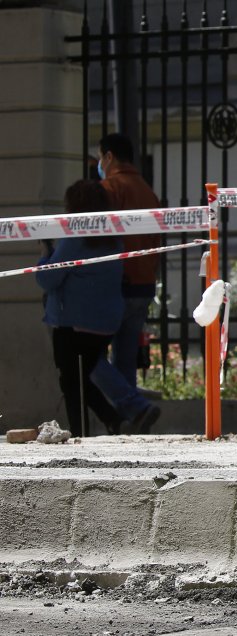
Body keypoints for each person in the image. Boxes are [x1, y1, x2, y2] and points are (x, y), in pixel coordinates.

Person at [37, 180, 127, 438]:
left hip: (74, 323)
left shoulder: (74, 238)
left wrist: (45, 254)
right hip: (105, 323)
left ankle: (84, 431)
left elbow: (48, 278)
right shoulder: (114, 238)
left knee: (71, 381)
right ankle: (112, 420)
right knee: (78, 379)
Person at [89, 132, 162, 433]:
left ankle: (135, 407)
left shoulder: (109, 189)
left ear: (109, 157)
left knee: (87, 356)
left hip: (118, 283)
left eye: (100, 158)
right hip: (144, 284)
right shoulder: (147, 191)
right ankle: (132, 421)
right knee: (125, 360)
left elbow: (98, 238)